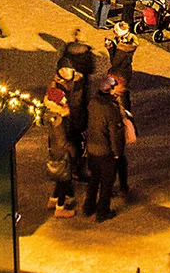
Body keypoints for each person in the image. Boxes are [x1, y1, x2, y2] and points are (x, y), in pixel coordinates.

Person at [82, 74, 127, 221]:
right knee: (107, 183)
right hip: (105, 151)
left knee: (94, 179)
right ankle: (102, 212)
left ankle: (88, 207)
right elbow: (114, 133)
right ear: (111, 90)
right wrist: (117, 153)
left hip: (92, 149)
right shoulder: (110, 108)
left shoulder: (93, 102)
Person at [46, 86, 78, 218]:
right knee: (64, 181)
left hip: (55, 151)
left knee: (60, 177)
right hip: (62, 153)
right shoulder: (58, 119)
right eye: (62, 99)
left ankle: (53, 200)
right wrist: (73, 151)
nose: (65, 100)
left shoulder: (51, 114)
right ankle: (60, 208)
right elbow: (62, 141)